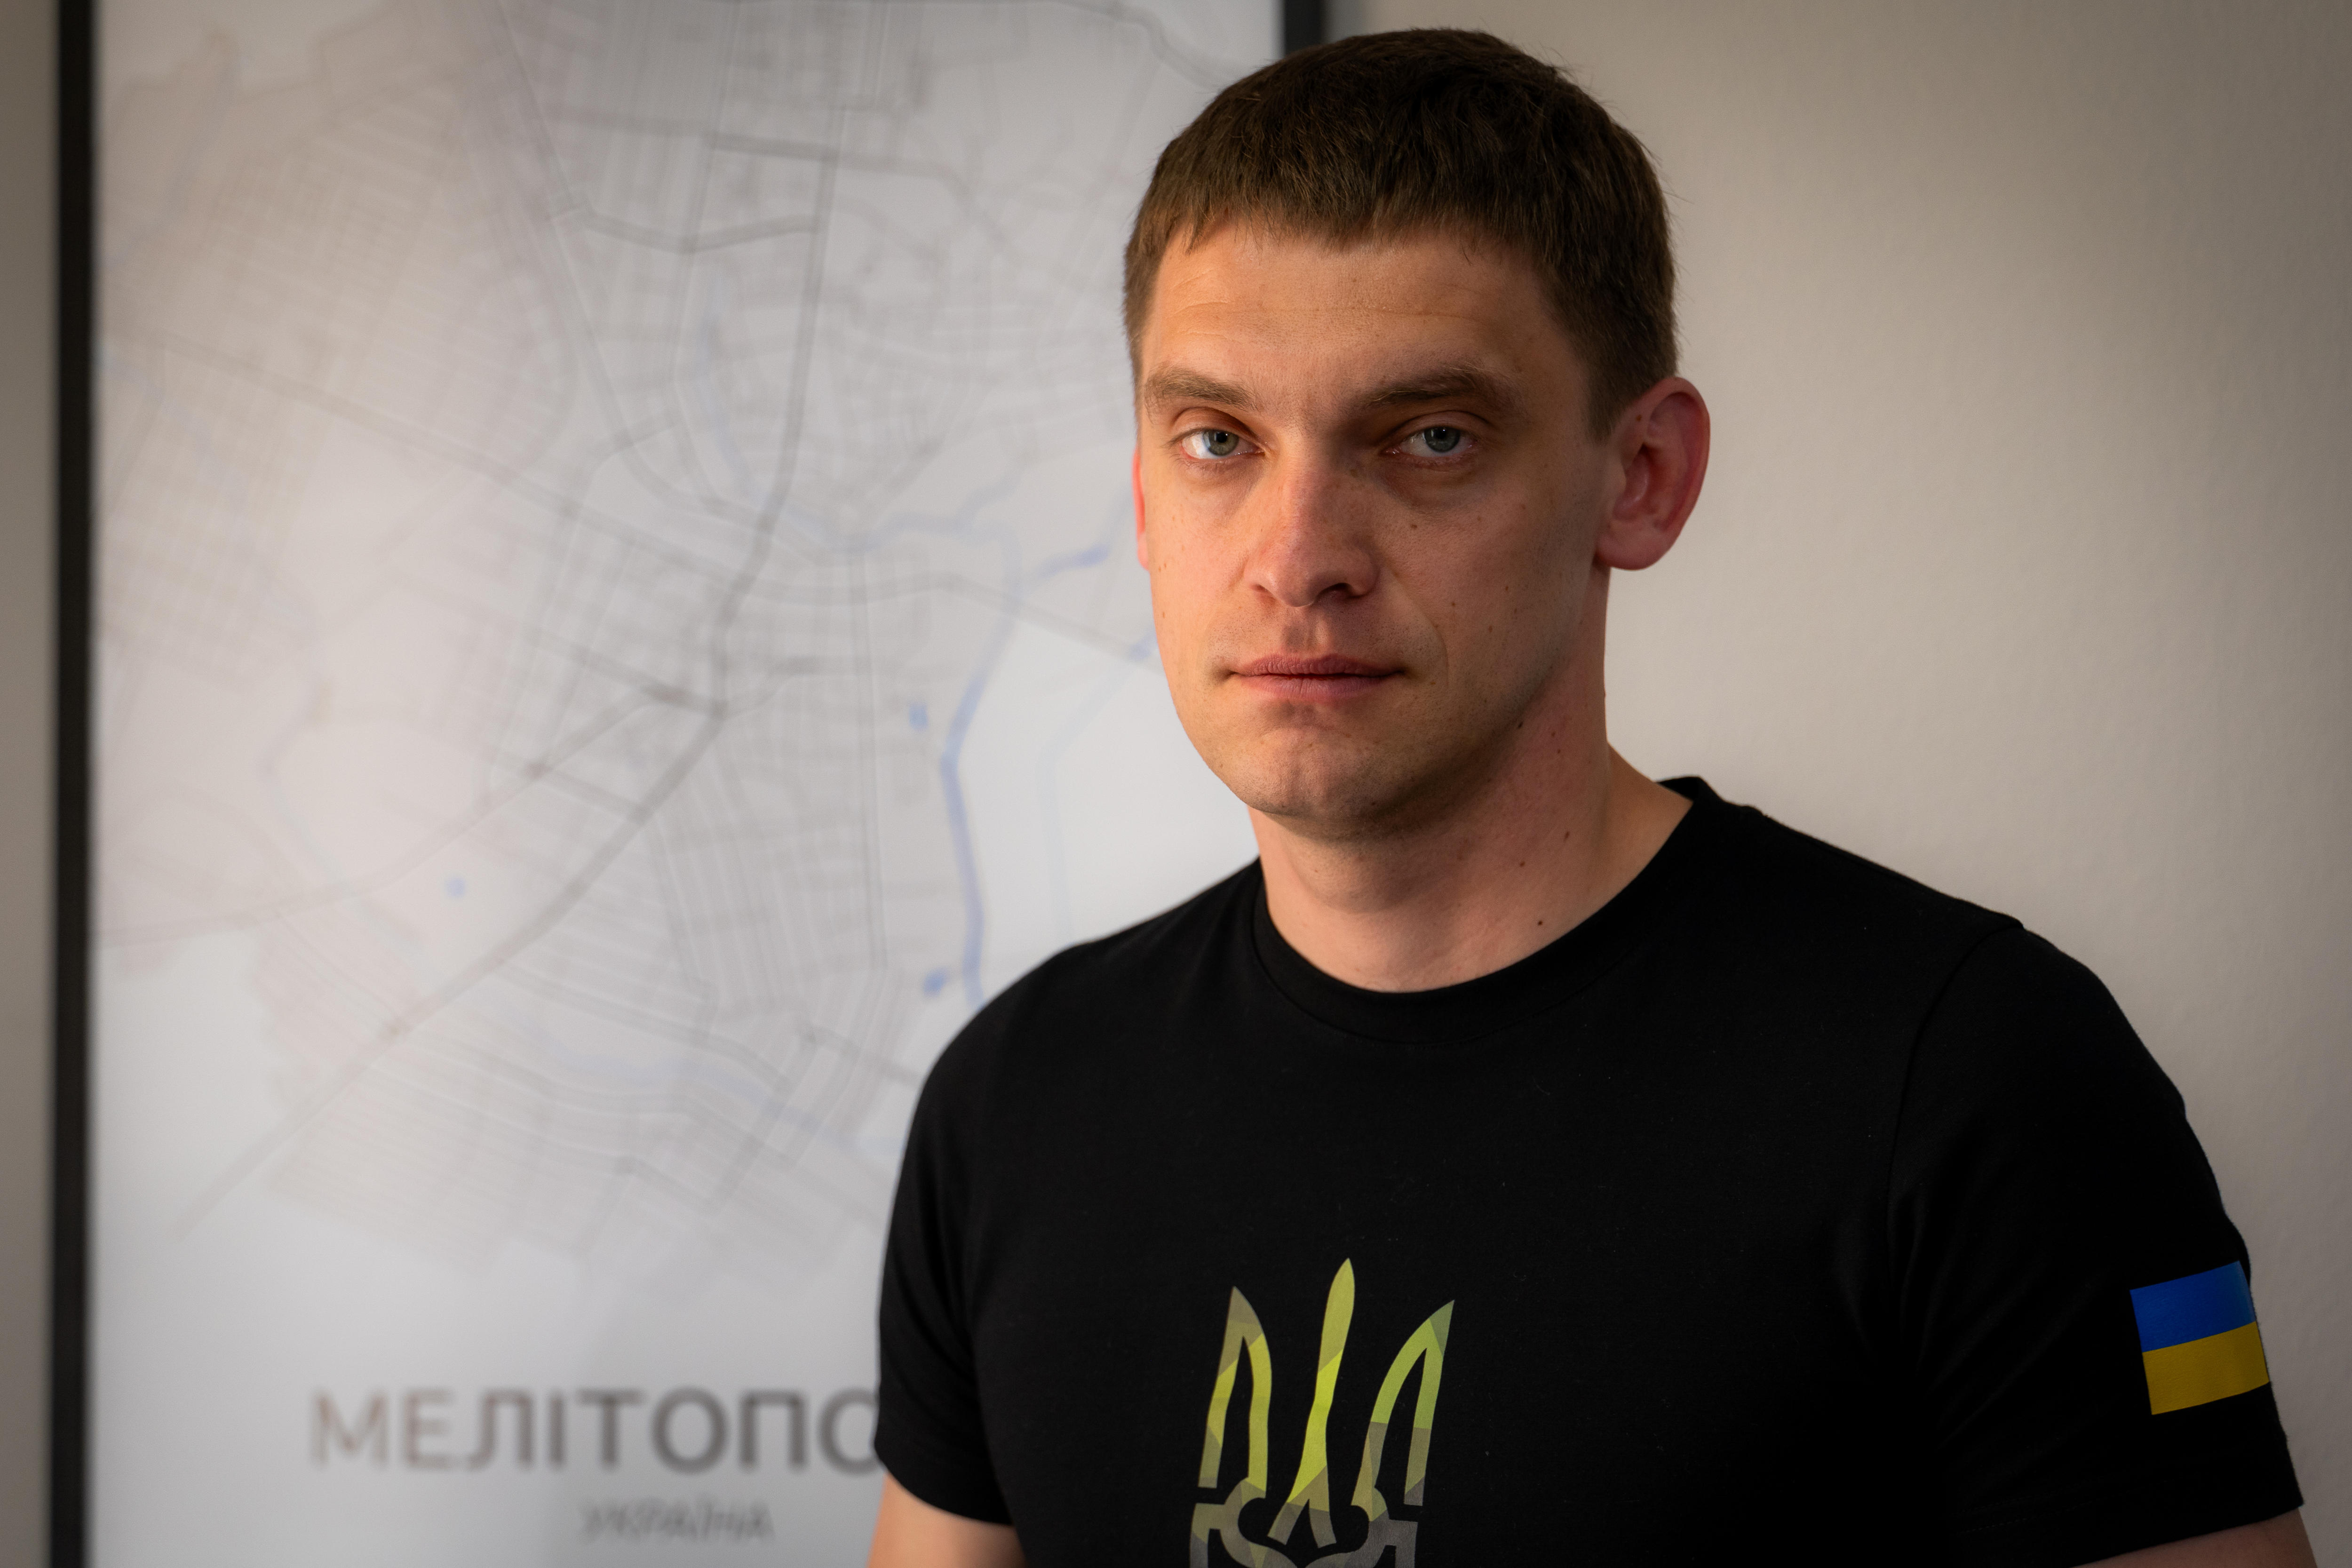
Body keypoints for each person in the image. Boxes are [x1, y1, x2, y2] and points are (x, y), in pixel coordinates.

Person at [863, 30, 2309, 1567]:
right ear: (1148, 494)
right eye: (1219, 440)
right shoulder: (1012, 1107)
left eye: (1429, 438)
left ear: (1642, 477)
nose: (1298, 558)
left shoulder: (1981, 1088)